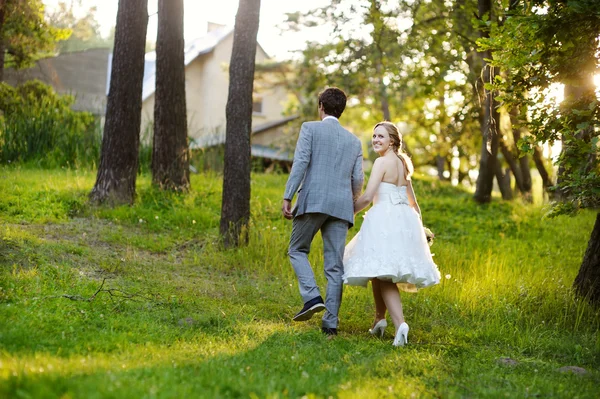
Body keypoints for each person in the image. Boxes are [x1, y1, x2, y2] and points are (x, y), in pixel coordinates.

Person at [343, 121, 440, 346]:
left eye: (381, 137)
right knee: (378, 270)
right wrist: (418, 229)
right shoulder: (403, 163)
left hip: (384, 219)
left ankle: (400, 325)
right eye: (374, 136)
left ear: (393, 141)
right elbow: (413, 202)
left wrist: (349, 213)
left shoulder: (381, 162)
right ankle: (379, 319)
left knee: (384, 273)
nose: (375, 140)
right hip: (404, 219)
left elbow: (367, 198)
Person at [282, 87, 364, 337]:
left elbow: (301, 163)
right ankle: (331, 323)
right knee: (335, 267)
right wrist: (349, 200)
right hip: (341, 208)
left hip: (314, 200)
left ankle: (311, 297)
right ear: (342, 109)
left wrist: (288, 195)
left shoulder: (310, 129)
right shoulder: (354, 141)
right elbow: (358, 178)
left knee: (297, 249)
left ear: (321, 106)